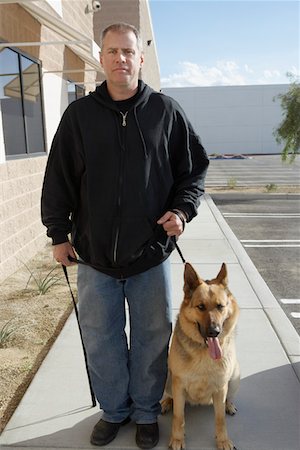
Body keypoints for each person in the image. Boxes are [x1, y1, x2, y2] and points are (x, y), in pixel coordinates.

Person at [41, 22, 209, 449]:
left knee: (153, 338)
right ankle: (114, 411)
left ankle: (147, 412)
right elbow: (58, 178)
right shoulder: (79, 116)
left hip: (149, 255)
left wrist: (181, 211)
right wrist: (59, 234)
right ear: (101, 58)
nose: (120, 59)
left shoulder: (165, 112)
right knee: (101, 339)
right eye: (112, 51)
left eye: (128, 52)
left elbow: (193, 171)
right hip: (94, 257)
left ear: (139, 57)